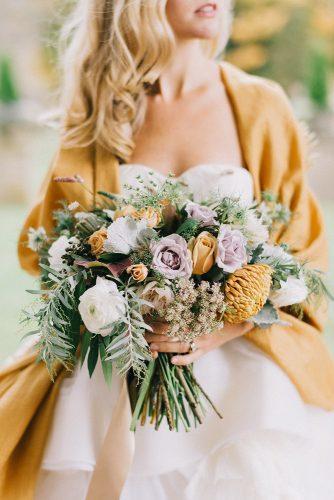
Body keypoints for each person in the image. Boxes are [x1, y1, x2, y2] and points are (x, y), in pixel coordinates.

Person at [1, 1, 334, 499]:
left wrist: (222, 326)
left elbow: (301, 256)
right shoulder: (95, 111)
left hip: (244, 385)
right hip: (113, 371)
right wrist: (119, 302)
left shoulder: (262, 105)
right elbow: (53, 248)